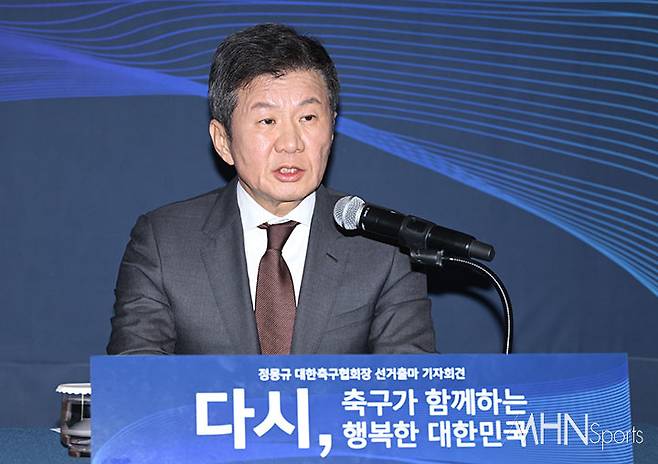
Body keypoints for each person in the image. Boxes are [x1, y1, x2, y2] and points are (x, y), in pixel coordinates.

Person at [107, 23, 435, 355]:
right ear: (223, 141)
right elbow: (135, 375)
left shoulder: (382, 246)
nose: (291, 143)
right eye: (267, 121)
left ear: (332, 128)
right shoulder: (164, 242)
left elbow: (411, 379)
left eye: (308, 118)